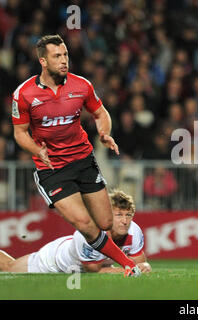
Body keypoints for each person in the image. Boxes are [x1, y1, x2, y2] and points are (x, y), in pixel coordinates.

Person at [11, 35, 140, 277]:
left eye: (65, 55)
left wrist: (104, 132)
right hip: (52, 169)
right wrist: (37, 150)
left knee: (104, 223)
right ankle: (127, 264)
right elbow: (19, 133)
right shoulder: (24, 94)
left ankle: (84, 249)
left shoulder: (82, 85)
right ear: (43, 61)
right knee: (84, 223)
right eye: (57, 56)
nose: (63, 61)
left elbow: (101, 113)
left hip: (83, 160)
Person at [0, 189, 151, 274]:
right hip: (54, 261)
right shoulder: (90, 235)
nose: (125, 221)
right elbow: (94, 271)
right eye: (119, 215)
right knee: (9, 268)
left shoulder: (134, 230)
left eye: (128, 215)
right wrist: (127, 269)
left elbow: (140, 264)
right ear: (106, 215)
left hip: (75, 260)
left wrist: (145, 267)